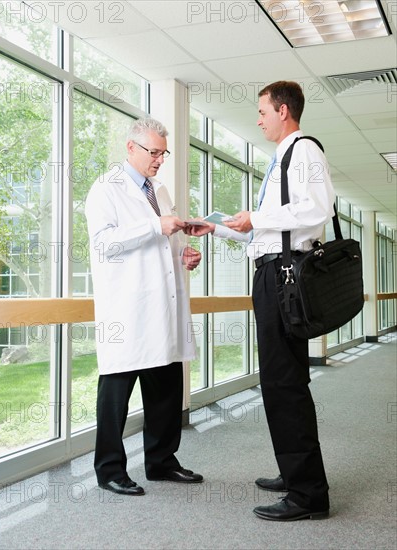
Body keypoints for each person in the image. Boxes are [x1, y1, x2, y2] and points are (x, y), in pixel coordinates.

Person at [187, 81, 334, 520]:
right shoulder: (282, 158)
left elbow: (317, 208)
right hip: (272, 273)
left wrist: (258, 217)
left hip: (285, 277)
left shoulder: (303, 150)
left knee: (283, 381)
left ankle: (308, 495)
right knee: (280, 379)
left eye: (263, 111)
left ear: (284, 110)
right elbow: (266, 231)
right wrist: (221, 228)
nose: (258, 118)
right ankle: (296, 474)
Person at [85, 117, 204, 496]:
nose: (159, 159)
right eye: (153, 152)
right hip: (128, 311)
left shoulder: (159, 190)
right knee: (116, 393)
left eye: (163, 152)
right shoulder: (106, 189)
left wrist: (182, 254)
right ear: (131, 148)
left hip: (163, 309)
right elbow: (105, 243)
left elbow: (162, 242)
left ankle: (161, 462)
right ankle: (109, 470)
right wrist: (157, 227)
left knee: (166, 389)